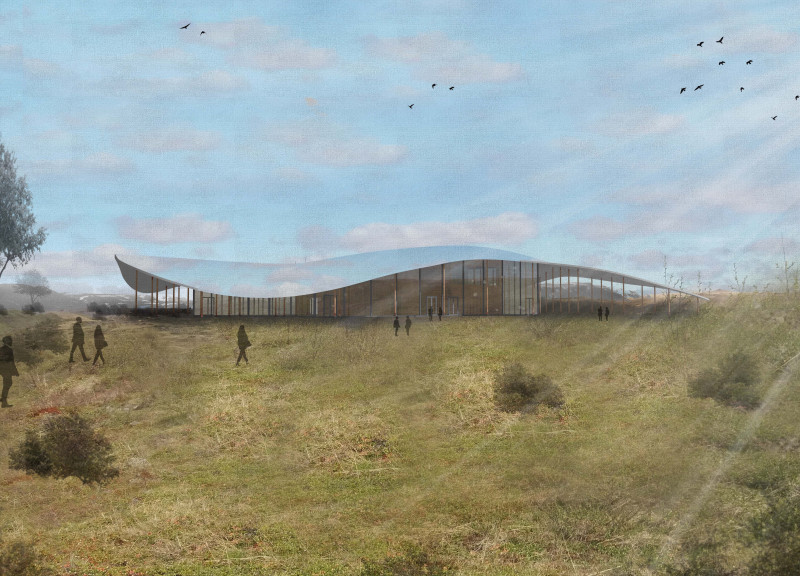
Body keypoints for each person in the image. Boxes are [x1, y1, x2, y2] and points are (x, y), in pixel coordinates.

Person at [0, 335, 19, 408]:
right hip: (5, 369)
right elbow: (11, 362)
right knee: (8, 383)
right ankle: (3, 401)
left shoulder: (2, 349)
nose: (11, 342)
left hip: (3, 369)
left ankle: (3, 400)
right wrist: (15, 371)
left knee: (8, 383)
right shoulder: (8, 350)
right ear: (6, 341)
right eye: (10, 340)